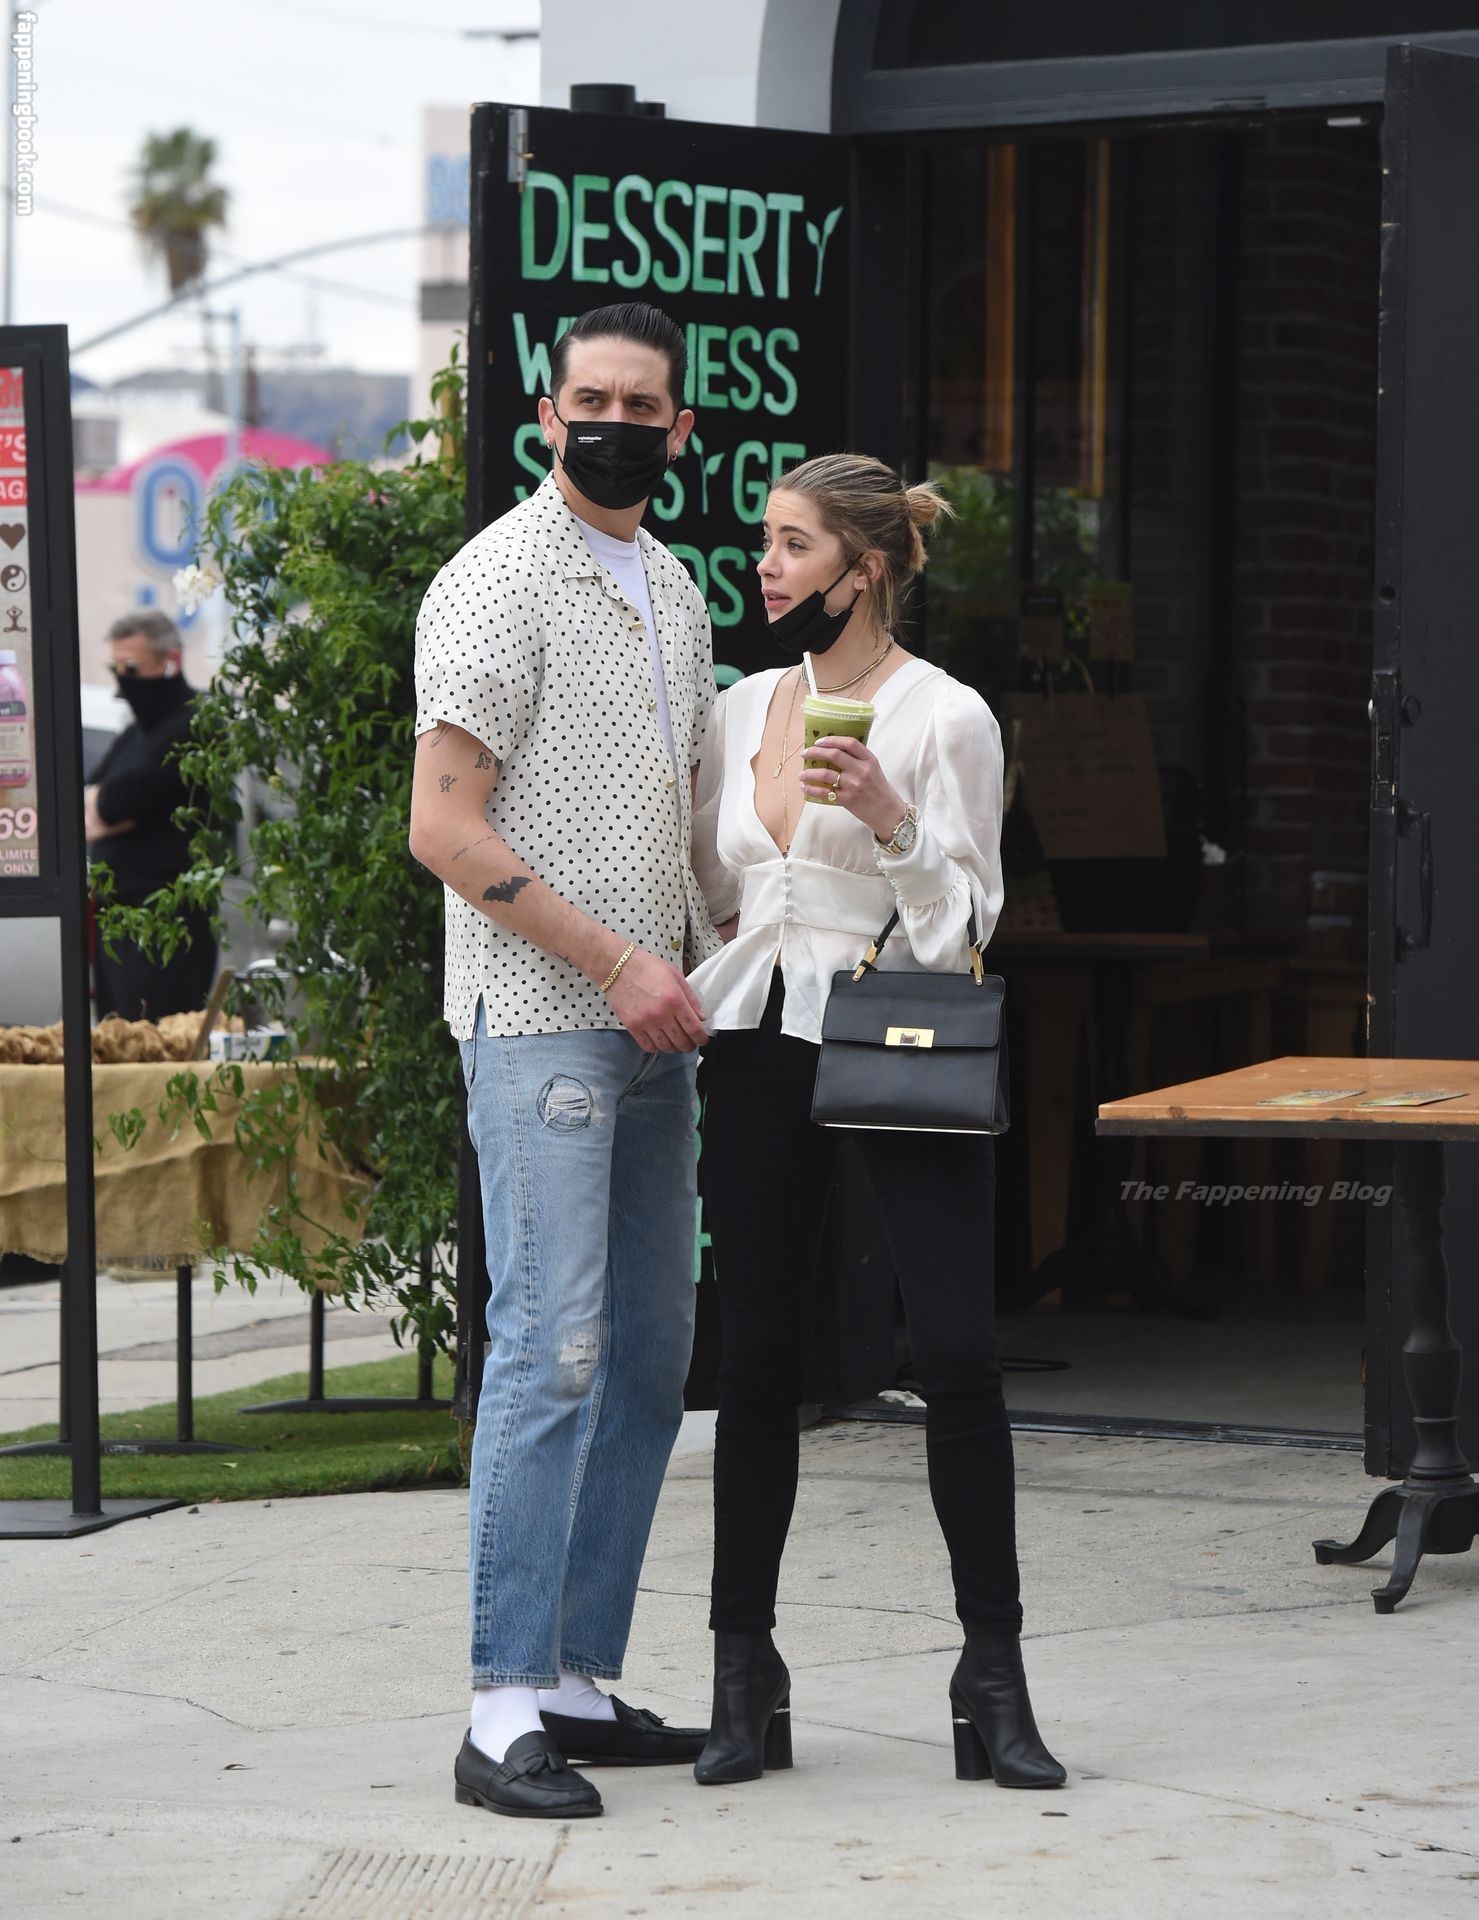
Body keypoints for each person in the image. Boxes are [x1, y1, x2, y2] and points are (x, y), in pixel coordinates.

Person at [687, 453, 1065, 1791]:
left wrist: (891, 820)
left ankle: (991, 1675)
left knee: (956, 1350)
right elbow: (711, 889)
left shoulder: (945, 716)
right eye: (767, 541)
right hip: (756, 1044)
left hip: (898, 1037)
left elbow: (964, 928)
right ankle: (743, 1673)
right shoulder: (739, 710)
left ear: (867, 568)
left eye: (793, 545)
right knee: (754, 1362)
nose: (766, 566)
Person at [409, 301, 720, 1821]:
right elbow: (442, 826)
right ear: (548, 415)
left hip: (664, 1025)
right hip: (547, 1020)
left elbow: (692, 819)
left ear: (678, 429)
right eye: (588, 399)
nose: (612, 424)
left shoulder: (678, 587)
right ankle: (499, 1708)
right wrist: (616, 963)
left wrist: (737, 956)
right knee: (552, 1352)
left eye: (639, 405)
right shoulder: (496, 579)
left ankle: (577, 1682)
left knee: (652, 1358)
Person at [86, 611, 216, 1019]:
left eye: (131, 667)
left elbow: (112, 803)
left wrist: (107, 809)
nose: (123, 679)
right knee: (115, 1040)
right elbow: (88, 800)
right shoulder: (136, 733)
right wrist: (107, 810)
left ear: (170, 661)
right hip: (116, 921)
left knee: (153, 1037)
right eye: (116, 668)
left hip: (165, 925)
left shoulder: (194, 723)